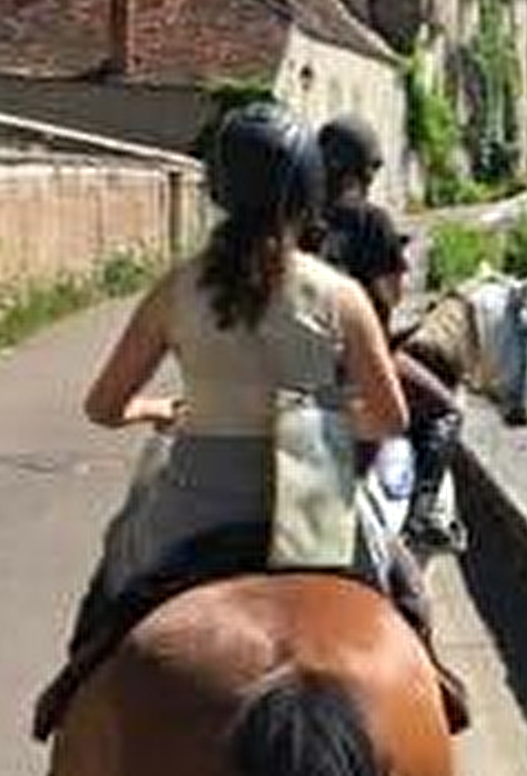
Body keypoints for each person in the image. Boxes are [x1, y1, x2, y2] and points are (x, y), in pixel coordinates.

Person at [67, 102, 407, 650]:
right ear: (308, 192)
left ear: (219, 191)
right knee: (403, 590)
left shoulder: (175, 290)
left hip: (196, 503)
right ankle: (442, 688)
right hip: (314, 498)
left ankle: (70, 689)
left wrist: (156, 409)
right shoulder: (341, 295)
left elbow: (102, 408)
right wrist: (320, 422)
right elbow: (391, 418)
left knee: (108, 600)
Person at [315, 114, 468, 552]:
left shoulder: (301, 220)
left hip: (298, 365)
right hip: (359, 368)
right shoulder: (372, 221)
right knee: (444, 412)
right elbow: (392, 294)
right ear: (366, 171)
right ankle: (423, 518)